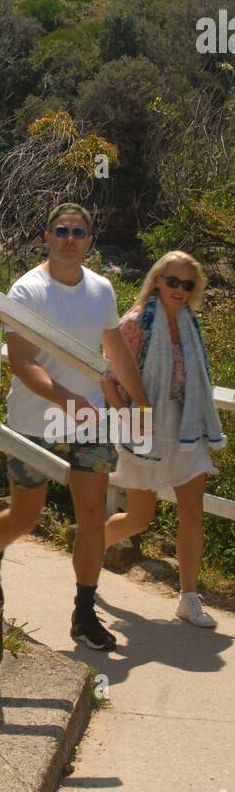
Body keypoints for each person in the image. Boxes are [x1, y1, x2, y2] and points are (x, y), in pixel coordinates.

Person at [0, 202, 151, 650]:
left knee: (91, 517)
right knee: (27, 517)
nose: (68, 238)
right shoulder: (26, 291)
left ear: (89, 242)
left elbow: (114, 350)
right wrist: (68, 399)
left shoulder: (102, 290)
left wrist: (140, 406)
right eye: (60, 230)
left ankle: (84, 613)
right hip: (35, 420)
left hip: (89, 424)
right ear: (46, 237)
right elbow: (21, 363)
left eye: (78, 232)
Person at [102, 251, 225, 628]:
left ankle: (189, 599)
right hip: (145, 422)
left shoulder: (190, 324)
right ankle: (91, 546)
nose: (179, 290)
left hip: (186, 424)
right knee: (140, 517)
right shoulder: (136, 323)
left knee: (192, 512)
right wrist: (130, 418)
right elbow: (107, 379)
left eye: (188, 285)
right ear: (157, 280)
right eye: (173, 281)